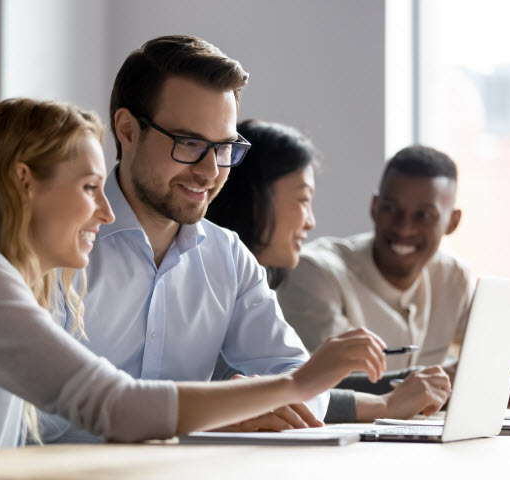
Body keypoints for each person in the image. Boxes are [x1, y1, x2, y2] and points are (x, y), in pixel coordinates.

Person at [0, 97, 390, 449]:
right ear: (23, 181)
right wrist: (297, 383)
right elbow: (115, 406)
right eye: (90, 187)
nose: (107, 213)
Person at [37, 35, 339, 443]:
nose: (210, 170)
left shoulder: (228, 256)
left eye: (224, 147)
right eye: (190, 143)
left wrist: (247, 404)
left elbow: (301, 380)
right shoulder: (52, 247)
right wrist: (208, 414)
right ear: (127, 130)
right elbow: (30, 416)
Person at [207, 121, 451, 423]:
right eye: (304, 200)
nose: (310, 221)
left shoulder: (252, 282)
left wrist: (419, 384)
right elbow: (276, 389)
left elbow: (296, 384)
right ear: (256, 200)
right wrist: (386, 405)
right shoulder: (210, 279)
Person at [277, 145, 474, 375]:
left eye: (424, 215)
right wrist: (453, 381)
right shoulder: (314, 272)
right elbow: (338, 385)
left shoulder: (454, 277)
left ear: (453, 222)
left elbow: (494, 351)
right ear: (374, 207)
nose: (404, 227)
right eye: (391, 209)